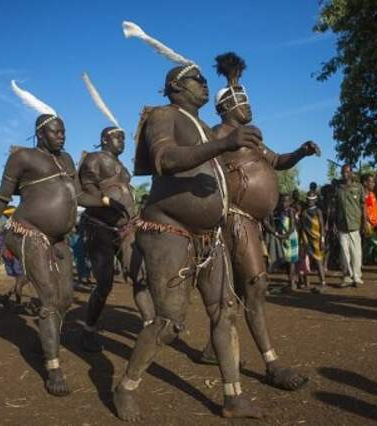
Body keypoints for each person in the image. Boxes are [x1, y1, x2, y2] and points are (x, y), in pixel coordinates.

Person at [114, 23, 264, 419]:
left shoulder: (202, 126)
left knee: (225, 311)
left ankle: (232, 397)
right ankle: (126, 386)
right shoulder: (165, 115)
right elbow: (164, 160)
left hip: (208, 236)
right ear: (177, 86)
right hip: (167, 231)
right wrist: (224, 143)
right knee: (169, 322)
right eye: (197, 79)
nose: (203, 84)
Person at [0, 81, 124, 397]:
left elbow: (78, 195)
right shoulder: (23, 157)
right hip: (28, 233)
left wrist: (106, 202)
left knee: (64, 298)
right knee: (48, 299)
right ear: (41, 133)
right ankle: (53, 366)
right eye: (56, 132)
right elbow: (2, 198)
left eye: (64, 132)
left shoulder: (69, 160)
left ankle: (47, 340)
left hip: (59, 238)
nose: (62, 136)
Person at [197, 52, 317, 391]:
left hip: (250, 221)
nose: (247, 107)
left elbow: (277, 160)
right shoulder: (217, 135)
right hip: (234, 220)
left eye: (248, 102)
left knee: (236, 290)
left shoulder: (251, 136)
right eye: (241, 103)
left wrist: (302, 152)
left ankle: (212, 348)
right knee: (256, 285)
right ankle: (271, 363)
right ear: (225, 108)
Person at [78, 73, 154, 352]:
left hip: (127, 228)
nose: (123, 141)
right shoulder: (94, 160)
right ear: (105, 140)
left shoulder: (122, 169)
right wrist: (108, 203)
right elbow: (83, 195)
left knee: (140, 275)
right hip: (99, 230)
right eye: (118, 137)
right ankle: (88, 327)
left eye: (124, 137)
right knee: (105, 283)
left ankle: (149, 324)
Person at [336, 164, 368, 286]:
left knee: (356, 252)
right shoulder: (338, 188)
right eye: (342, 172)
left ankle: (357, 277)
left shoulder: (358, 187)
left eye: (347, 172)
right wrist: (334, 222)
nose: (344, 174)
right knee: (344, 253)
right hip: (341, 224)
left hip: (355, 223)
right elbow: (335, 207)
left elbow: (363, 205)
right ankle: (347, 277)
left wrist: (364, 221)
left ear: (351, 173)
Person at [300, 190, 327, 292]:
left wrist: (322, 240)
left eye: (312, 199)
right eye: (308, 199)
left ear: (315, 200)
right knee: (306, 262)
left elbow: (322, 227)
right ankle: (306, 283)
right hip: (307, 240)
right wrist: (304, 241)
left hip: (317, 240)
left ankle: (323, 283)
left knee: (318, 261)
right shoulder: (304, 213)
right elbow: (303, 228)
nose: (310, 201)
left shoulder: (318, 211)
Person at [275, 194, 300, 290]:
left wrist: (283, 236)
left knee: (292, 261)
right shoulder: (281, 211)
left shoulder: (291, 211)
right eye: (282, 201)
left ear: (290, 202)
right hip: (285, 238)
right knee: (287, 260)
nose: (284, 203)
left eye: (286, 201)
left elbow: (292, 226)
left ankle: (292, 282)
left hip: (291, 238)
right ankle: (290, 281)